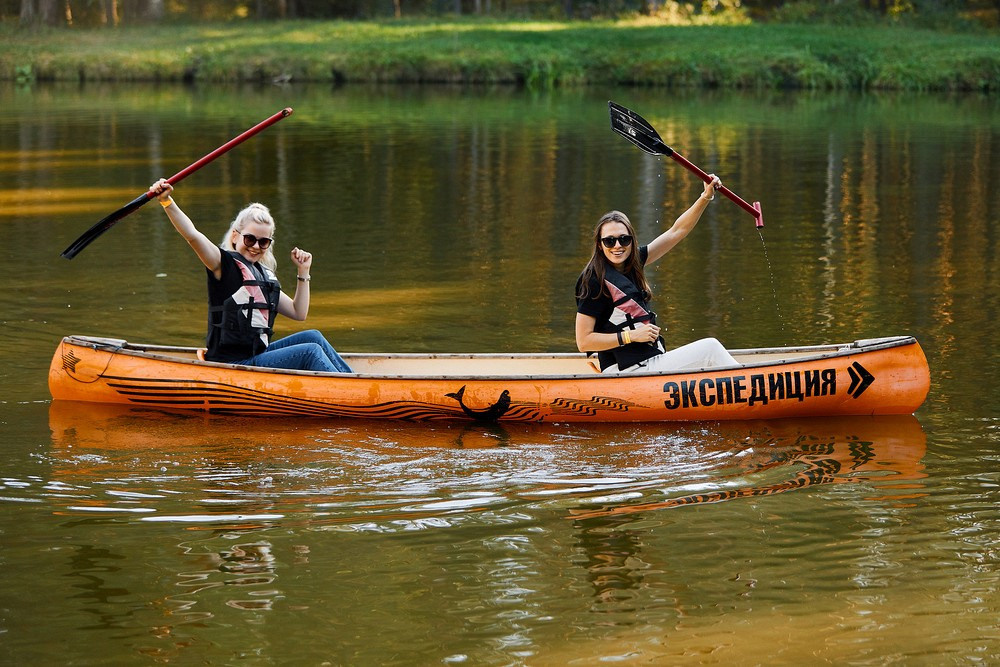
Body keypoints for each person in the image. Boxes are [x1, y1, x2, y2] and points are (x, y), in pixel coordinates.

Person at [149, 179, 352, 373]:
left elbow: (299, 313)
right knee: (310, 352)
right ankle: (350, 389)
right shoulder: (223, 265)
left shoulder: (262, 275)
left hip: (257, 355)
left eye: (263, 242)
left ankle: (353, 382)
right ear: (235, 236)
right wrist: (167, 201)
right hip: (232, 364)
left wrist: (303, 271)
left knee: (313, 337)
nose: (255, 246)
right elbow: (192, 235)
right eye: (250, 239)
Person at [575, 174, 740, 374]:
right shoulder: (593, 280)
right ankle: (752, 385)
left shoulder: (633, 262)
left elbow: (676, 231)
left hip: (647, 362)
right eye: (609, 241)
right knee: (710, 348)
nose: (617, 246)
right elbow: (583, 342)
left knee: (709, 353)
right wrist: (630, 336)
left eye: (624, 239)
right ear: (600, 245)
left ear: (631, 241)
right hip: (623, 370)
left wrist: (705, 196)